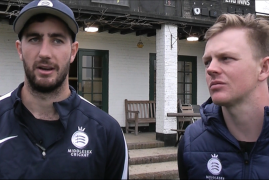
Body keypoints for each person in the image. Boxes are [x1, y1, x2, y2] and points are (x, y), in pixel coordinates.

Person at [0, 0, 128, 179]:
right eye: (34, 39)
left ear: (73, 52)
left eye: (57, 40)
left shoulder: (107, 132)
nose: (45, 53)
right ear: (20, 49)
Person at [178, 13, 269, 179]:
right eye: (207, 61)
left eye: (226, 58)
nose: (211, 69)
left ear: (263, 68)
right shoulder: (192, 142)